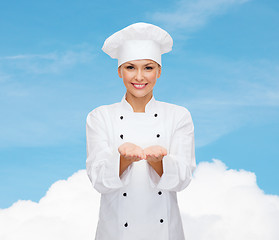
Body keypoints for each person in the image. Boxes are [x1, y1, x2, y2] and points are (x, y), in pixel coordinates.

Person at [86, 22, 196, 240]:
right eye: (130, 67)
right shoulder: (100, 116)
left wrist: (158, 162)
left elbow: (183, 178)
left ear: (159, 71)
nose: (139, 77)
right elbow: (98, 180)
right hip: (115, 233)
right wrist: (123, 159)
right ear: (119, 71)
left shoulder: (178, 116)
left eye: (148, 68)